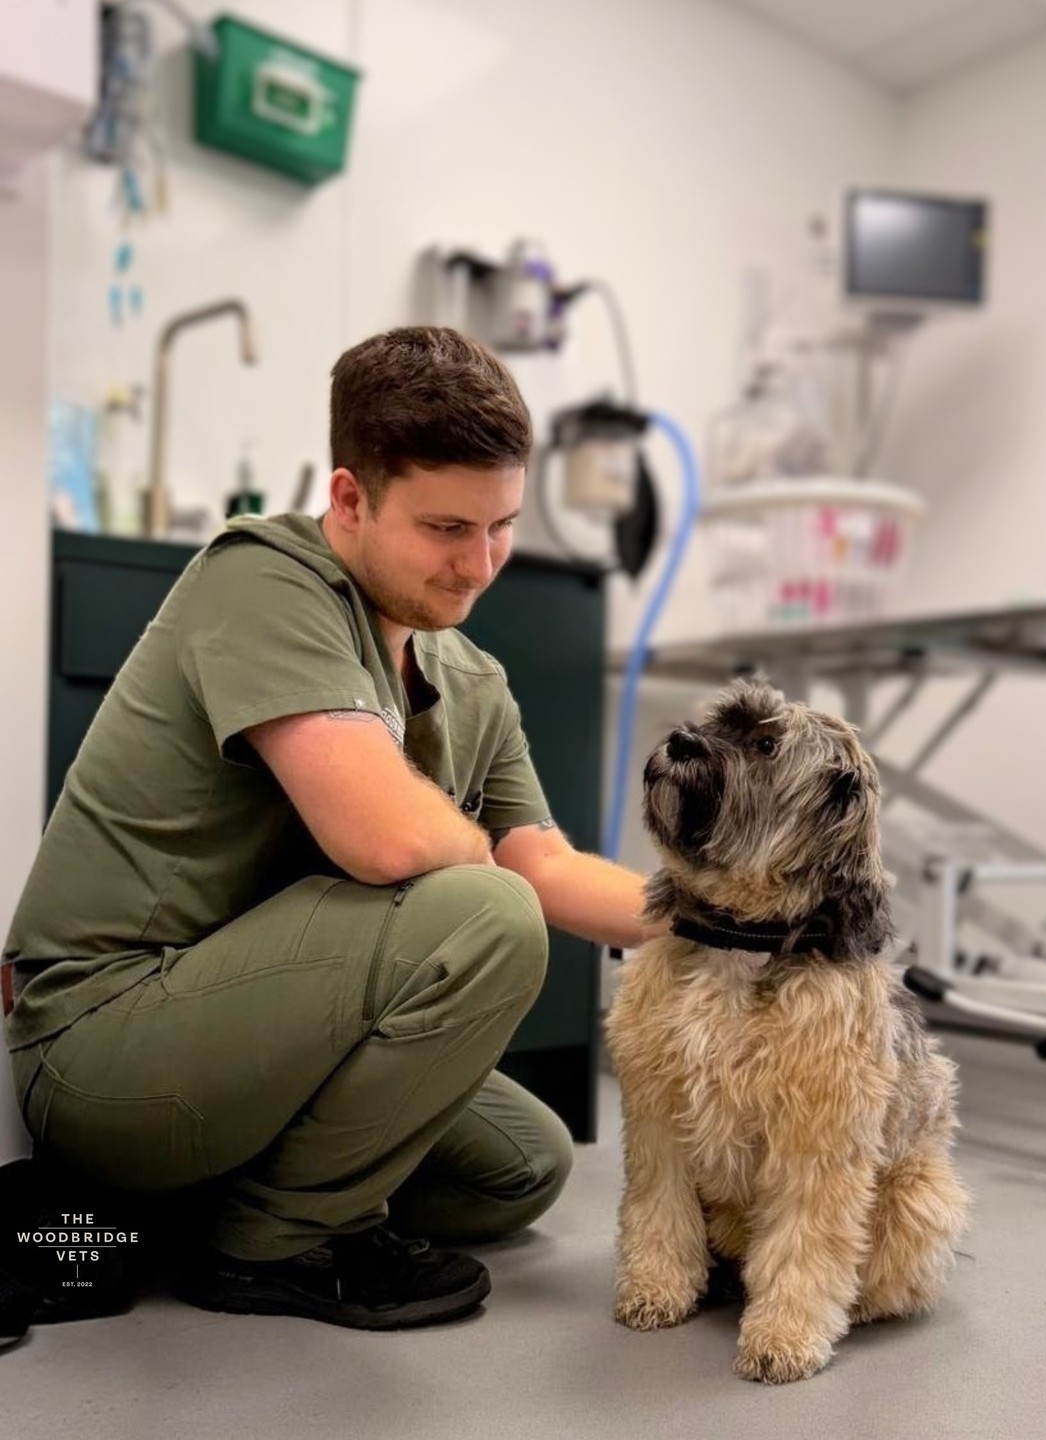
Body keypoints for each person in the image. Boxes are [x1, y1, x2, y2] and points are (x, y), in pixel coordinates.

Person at [1, 326, 659, 1332]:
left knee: (523, 1166)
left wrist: (731, 918)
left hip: (255, 1038)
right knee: (482, 913)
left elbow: (550, 863)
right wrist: (490, 884)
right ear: (349, 498)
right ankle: (271, 1248)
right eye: (446, 528)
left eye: (501, 527)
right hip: (106, 1043)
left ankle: (199, 1205)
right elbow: (388, 842)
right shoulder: (262, 578)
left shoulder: (470, 679)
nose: (479, 566)